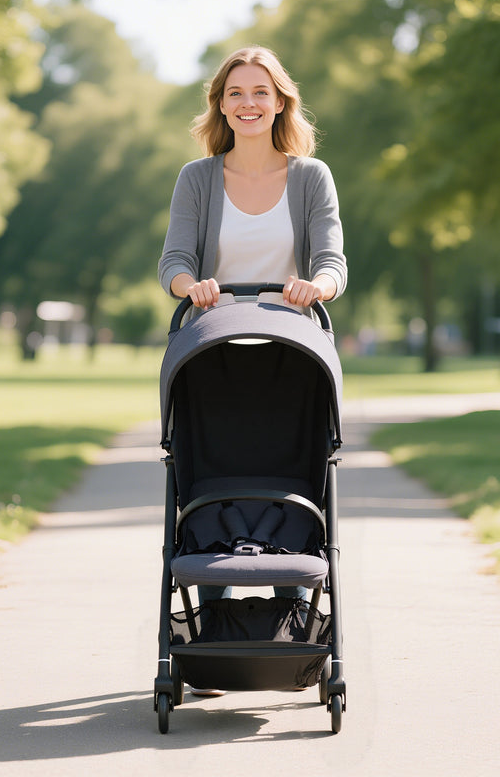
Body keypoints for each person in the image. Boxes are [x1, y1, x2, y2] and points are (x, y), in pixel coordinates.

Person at [158, 47, 347, 693]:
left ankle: (295, 613)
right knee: (209, 468)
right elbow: (174, 262)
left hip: (292, 357)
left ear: (280, 101)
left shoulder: (311, 177)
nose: (247, 103)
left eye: (260, 92)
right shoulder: (197, 178)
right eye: (235, 92)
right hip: (210, 354)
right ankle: (212, 621)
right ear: (220, 104)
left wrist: (315, 287)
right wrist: (194, 286)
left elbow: (332, 262)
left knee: (297, 466)